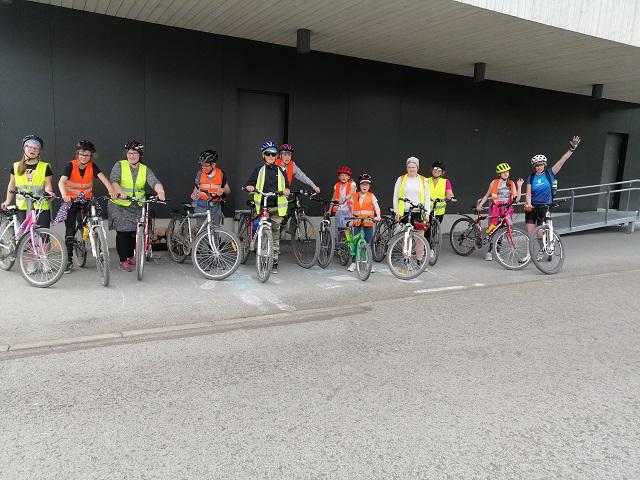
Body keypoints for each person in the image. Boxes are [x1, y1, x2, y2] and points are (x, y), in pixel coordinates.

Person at [58, 140, 117, 273]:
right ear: (77, 154)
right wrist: (64, 195)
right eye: (82, 154)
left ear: (91, 156)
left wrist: (111, 191)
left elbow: (104, 179)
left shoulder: (92, 166)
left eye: (87, 155)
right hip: (71, 201)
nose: (84, 157)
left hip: (87, 200)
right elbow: (61, 182)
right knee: (70, 231)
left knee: (93, 221)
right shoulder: (70, 165)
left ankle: (98, 245)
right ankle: (68, 261)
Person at [108, 140, 166, 272]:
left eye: (135, 153)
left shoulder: (144, 169)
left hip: (137, 204)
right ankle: (123, 260)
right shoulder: (120, 165)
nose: (132, 156)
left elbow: (154, 181)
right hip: (120, 204)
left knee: (134, 233)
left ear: (140, 155)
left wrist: (160, 191)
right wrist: (120, 192)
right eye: (129, 153)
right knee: (123, 232)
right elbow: (114, 181)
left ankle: (132, 256)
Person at [244, 141, 291, 274]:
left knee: (275, 234)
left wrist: (287, 190)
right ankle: (260, 253)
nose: (271, 156)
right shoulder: (258, 170)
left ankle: (274, 260)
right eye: (268, 154)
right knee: (260, 231)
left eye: (273, 154)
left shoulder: (281, 170)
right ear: (263, 155)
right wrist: (250, 186)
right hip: (262, 206)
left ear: (277, 156)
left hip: (276, 207)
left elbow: (287, 186)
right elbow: (250, 182)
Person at [524, 135, 581, 235]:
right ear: (534, 167)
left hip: (544, 206)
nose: (539, 167)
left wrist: (572, 149)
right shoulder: (531, 177)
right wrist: (529, 204)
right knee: (530, 233)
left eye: (541, 164)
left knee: (540, 234)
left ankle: (542, 245)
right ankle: (530, 246)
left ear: (544, 165)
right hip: (532, 206)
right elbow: (528, 194)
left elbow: (562, 160)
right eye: (537, 165)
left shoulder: (550, 173)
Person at [2, 135, 55, 228]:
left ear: (39, 151)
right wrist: (7, 201)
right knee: (25, 234)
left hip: (40, 204)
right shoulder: (16, 166)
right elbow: (12, 184)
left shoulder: (45, 166)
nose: (32, 150)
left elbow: (48, 184)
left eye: (36, 148)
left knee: (43, 234)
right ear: (24, 148)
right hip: (22, 206)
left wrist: (49, 192)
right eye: (29, 147)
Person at [476, 163, 524, 261]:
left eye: (507, 171)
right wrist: (480, 205)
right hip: (496, 209)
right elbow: (487, 195)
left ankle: (497, 251)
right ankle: (490, 251)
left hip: (506, 209)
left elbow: (517, 199)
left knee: (506, 229)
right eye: (503, 172)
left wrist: (519, 186)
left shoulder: (511, 183)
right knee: (493, 229)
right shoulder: (494, 182)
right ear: (499, 174)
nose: (506, 173)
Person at [392, 156, 430, 264]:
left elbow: (427, 198)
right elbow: (395, 196)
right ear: (406, 168)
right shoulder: (401, 179)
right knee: (406, 236)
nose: (411, 169)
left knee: (420, 237)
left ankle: (419, 260)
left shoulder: (423, 180)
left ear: (417, 168)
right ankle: (406, 259)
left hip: (419, 212)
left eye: (413, 167)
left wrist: (427, 213)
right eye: (409, 167)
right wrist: (396, 212)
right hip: (405, 211)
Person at [348, 174, 381, 272]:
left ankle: (368, 264)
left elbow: (376, 207)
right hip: (357, 222)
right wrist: (351, 220)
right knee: (355, 242)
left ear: (369, 186)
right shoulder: (355, 196)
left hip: (368, 222)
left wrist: (378, 216)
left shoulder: (371, 196)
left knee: (368, 243)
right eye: (363, 184)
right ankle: (354, 263)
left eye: (367, 184)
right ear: (359, 185)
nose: (365, 186)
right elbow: (352, 209)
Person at [190, 150, 229, 227]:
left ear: (213, 164)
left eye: (206, 166)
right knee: (202, 231)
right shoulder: (200, 173)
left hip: (215, 207)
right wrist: (194, 193)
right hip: (201, 206)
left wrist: (222, 190)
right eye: (202, 165)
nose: (204, 168)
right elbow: (197, 187)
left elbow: (228, 190)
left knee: (214, 231)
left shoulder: (221, 174)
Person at [331, 166, 356, 237]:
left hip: (349, 211)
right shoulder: (337, 185)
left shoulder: (352, 184)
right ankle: (339, 243)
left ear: (348, 177)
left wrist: (344, 199)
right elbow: (333, 198)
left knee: (348, 230)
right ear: (339, 177)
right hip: (339, 210)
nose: (343, 177)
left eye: (345, 175)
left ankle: (348, 243)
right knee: (339, 230)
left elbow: (350, 194)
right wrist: (329, 210)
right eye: (342, 175)